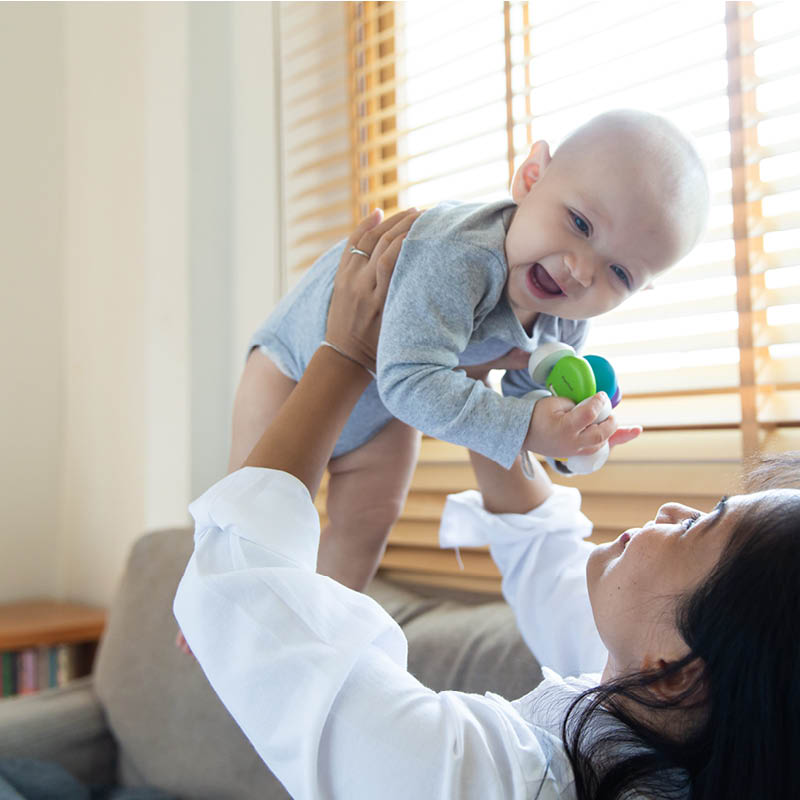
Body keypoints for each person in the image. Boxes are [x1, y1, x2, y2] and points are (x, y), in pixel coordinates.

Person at [174, 212, 800, 799]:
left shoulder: (496, 779)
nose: (671, 508)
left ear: (674, 674)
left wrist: (345, 354)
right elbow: (547, 556)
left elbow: (245, 592)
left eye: (699, 526)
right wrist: (489, 395)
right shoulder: (667, 723)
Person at [229, 109, 711, 590]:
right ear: (531, 178)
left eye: (620, 273)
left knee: (370, 520)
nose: (581, 270)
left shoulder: (564, 322)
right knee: (255, 515)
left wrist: (571, 440)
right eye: (580, 224)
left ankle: (324, 630)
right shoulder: (458, 254)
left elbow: (527, 404)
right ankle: (226, 588)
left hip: (383, 408)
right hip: (294, 370)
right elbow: (412, 379)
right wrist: (526, 429)